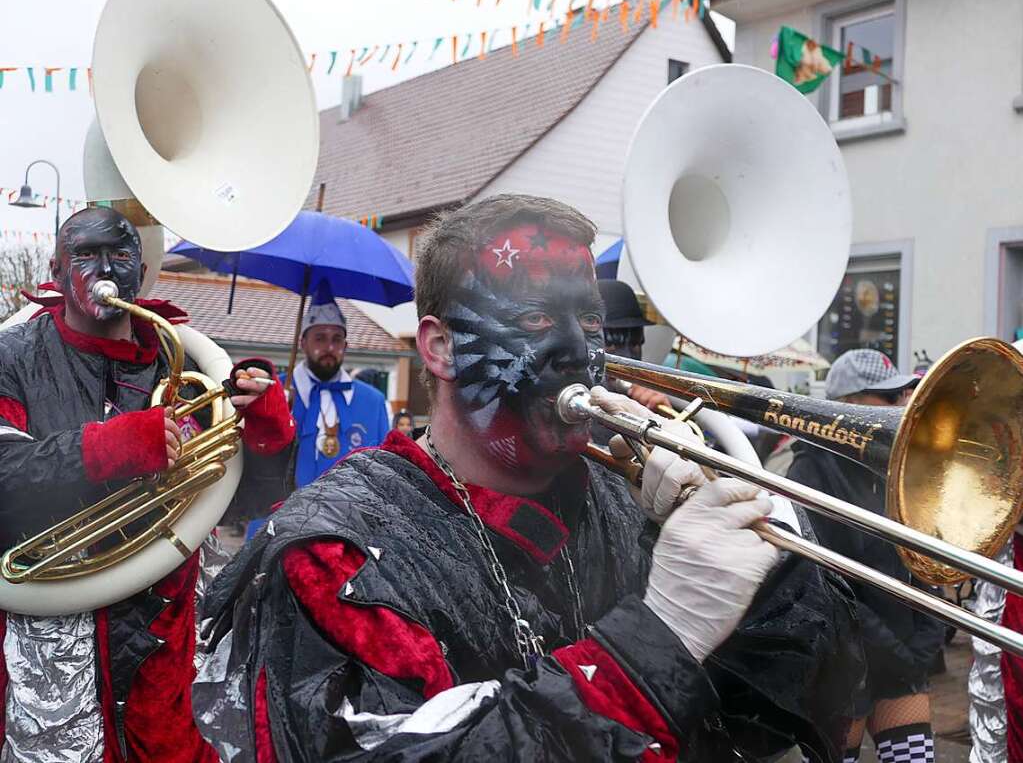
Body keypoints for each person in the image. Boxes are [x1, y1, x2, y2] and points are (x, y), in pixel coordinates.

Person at [195, 194, 862, 762]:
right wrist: (655, 641)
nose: (580, 349)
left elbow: (808, 708)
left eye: (591, 322)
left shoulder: (617, 501)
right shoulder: (333, 554)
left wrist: (770, 562)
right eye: (537, 319)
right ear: (441, 345)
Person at [0, 207, 295, 762]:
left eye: (120, 254)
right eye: (85, 255)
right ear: (56, 270)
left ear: (142, 268)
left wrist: (266, 440)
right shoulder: (11, 357)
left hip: (166, 644)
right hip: (48, 641)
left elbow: (234, 503)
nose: (105, 267)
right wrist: (108, 448)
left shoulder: (177, 362)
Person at [786, 348, 945, 763]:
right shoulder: (808, 472)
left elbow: (923, 560)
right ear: (850, 405)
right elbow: (829, 582)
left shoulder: (898, 467)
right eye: (889, 398)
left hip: (902, 661)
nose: (901, 406)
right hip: (842, 668)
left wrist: (926, 641)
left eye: (900, 396)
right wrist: (900, 653)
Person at [285, 280, 391, 488]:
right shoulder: (278, 392)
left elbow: (383, 473)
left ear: (346, 345)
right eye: (320, 338)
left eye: (337, 339)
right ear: (303, 343)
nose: (329, 347)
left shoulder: (373, 401)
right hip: (279, 514)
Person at [597, 278, 672, 417]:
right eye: (611, 345)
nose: (628, 357)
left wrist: (660, 419)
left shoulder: (644, 402)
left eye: (635, 344)